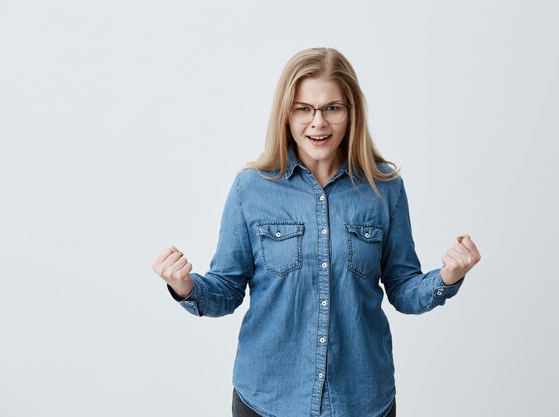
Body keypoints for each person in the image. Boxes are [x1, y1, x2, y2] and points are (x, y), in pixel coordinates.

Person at [152, 47, 481, 417]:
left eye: (332, 108)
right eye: (303, 108)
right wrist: (184, 286)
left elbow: (403, 289)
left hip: (362, 400)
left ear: (351, 112)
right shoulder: (251, 188)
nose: (317, 123)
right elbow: (226, 290)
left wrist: (448, 277)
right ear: (286, 115)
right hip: (267, 400)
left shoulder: (384, 188)